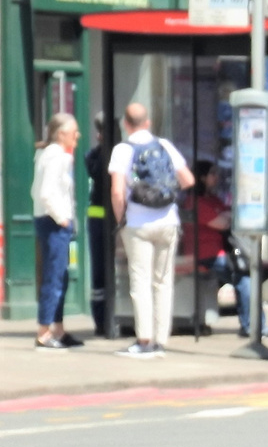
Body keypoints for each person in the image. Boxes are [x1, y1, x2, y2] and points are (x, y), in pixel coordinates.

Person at [108, 102, 194, 358]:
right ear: (147, 123)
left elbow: (116, 191)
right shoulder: (164, 145)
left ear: (126, 123)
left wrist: (121, 219)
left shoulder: (122, 150)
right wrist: (166, 196)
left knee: (140, 282)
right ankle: (160, 340)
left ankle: (144, 340)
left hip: (138, 224)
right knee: (163, 282)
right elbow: (187, 180)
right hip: (168, 222)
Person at [192, 162, 268, 338]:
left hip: (223, 252)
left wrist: (228, 216)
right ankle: (254, 327)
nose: (216, 177)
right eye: (212, 174)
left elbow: (233, 215)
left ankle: (252, 325)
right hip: (206, 254)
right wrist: (228, 217)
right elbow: (222, 223)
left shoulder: (215, 200)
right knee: (243, 277)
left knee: (247, 274)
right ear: (202, 178)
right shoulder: (196, 202)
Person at [31, 112, 81, 351]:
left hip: (52, 221)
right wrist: (62, 219)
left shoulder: (50, 154)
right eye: (74, 132)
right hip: (53, 223)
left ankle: (58, 329)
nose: (77, 135)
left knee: (60, 276)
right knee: (54, 278)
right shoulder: (56, 157)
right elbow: (45, 193)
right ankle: (44, 332)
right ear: (61, 134)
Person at [84, 112, 111, 335]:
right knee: (100, 274)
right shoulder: (96, 157)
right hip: (101, 220)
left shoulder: (96, 154)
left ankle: (103, 319)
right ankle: (101, 319)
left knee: (103, 273)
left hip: (103, 220)